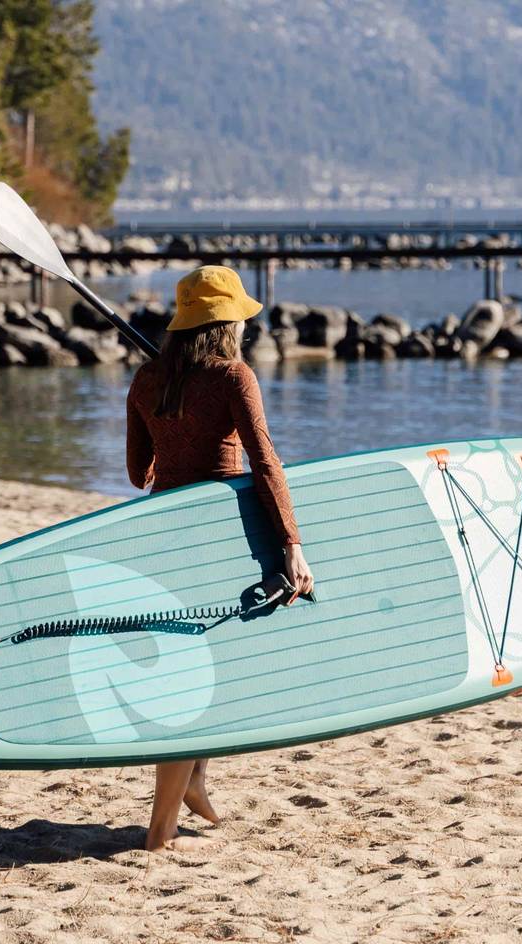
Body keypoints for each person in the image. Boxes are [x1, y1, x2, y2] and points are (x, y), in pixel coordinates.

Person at [125, 265, 314, 852]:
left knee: (197, 670)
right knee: (194, 681)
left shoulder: (146, 377)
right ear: (228, 323)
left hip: (163, 537)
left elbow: (140, 474)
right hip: (221, 538)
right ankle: (160, 827)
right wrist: (292, 543)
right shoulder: (234, 376)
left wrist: (167, 419)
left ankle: (197, 784)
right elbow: (264, 462)